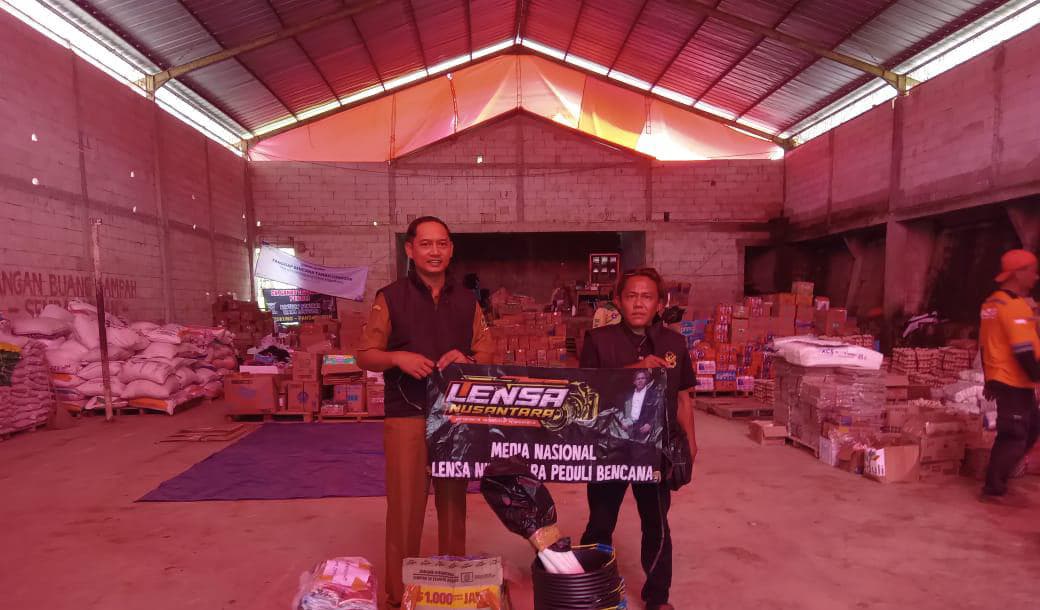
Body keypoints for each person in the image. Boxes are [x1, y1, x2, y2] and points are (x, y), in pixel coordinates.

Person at [356, 216, 494, 607]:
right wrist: (397, 357)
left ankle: (451, 588)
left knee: (453, 505)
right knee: (405, 507)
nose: (435, 252)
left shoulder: (467, 301)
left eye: (442, 244)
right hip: (407, 413)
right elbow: (364, 354)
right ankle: (399, 595)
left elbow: (487, 351)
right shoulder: (391, 297)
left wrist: (468, 358)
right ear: (410, 249)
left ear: (451, 249)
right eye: (426, 244)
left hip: (453, 417)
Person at [578, 267, 697, 610]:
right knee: (601, 521)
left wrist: (690, 441)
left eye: (647, 297)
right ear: (618, 301)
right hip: (610, 446)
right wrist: (636, 369)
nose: (639, 303)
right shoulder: (599, 340)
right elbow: (586, 391)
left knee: (656, 523)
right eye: (631, 296)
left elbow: (683, 398)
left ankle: (658, 598)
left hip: (656, 448)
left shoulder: (675, 343)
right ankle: (590, 590)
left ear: (659, 303)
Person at [979, 249, 1040, 504]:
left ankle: (1002, 472)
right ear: (1018, 273)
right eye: (1032, 271)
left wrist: (989, 378)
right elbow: (1023, 351)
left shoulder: (992, 304)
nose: (1036, 277)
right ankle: (993, 488)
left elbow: (985, 344)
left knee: (1032, 427)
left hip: (1005, 378)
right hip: (1013, 379)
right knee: (1014, 435)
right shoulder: (1013, 307)